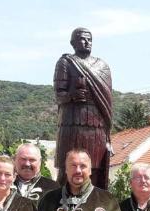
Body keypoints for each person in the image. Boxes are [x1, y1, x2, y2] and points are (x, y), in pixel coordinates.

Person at [54, 27, 113, 189]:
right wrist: (72, 95)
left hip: (97, 127)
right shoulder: (65, 62)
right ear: (73, 43)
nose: (87, 42)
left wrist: (108, 133)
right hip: (71, 125)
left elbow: (107, 101)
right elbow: (59, 96)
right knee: (69, 171)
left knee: (96, 171)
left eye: (90, 39)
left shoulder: (102, 66)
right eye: (82, 39)